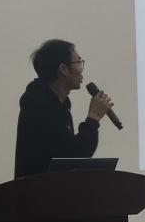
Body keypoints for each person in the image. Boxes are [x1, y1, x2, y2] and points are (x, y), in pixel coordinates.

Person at [14, 39, 114, 178]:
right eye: (78, 62)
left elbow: (69, 159)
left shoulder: (60, 104)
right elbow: (73, 157)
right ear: (63, 69)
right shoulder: (39, 105)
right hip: (38, 190)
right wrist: (93, 118)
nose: (81, 69)